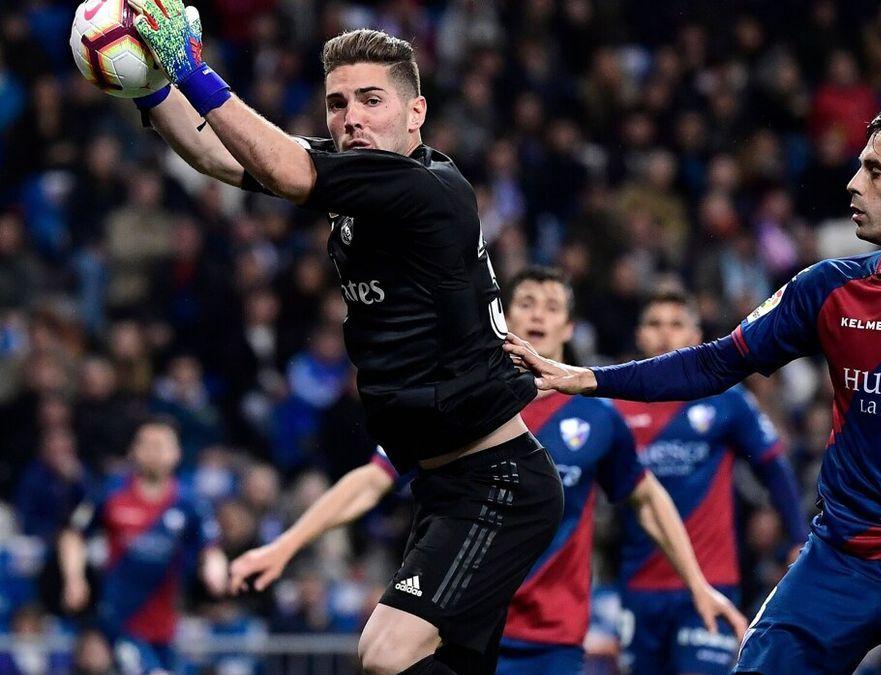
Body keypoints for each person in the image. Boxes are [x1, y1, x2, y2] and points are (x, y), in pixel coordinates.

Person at [506, 107, 881, 675]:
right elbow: (716, 364)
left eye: (876, 171)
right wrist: (587, 378)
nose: (853, 184)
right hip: (842, 556)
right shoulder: (827, 291)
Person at [123, 4, 563, 673]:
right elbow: (218, 155)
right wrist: (150, 88)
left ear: (415, 113)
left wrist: (192, 69)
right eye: (335, 103)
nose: (350, 116)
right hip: (443, 484)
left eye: (370, 99)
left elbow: (284, 171)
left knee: (385, 652)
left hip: (497, 482)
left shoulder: (426, 187)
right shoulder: (360, 184)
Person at [227, 267, 746, 674]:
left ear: (568, 326)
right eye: (525, 303)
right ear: (504, 317)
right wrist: (285, 544)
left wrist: (697, 585)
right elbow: (370, 481)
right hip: (467, 631)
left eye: (552, 306)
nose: (538, 314)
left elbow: (648, 500)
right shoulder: (465, 401)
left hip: (554, 640)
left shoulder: (598, 416)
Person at [606, 290, 807, 674]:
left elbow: (773, 466)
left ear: (696, 335)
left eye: (677, 324)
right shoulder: (613, 407)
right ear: (638, 335)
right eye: (654, 324)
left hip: (711, 581)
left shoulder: (726, 401)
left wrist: (797, 538)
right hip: (639, 587)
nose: (665, 335)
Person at [58, 420, 226, 674]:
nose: (154, 453)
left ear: (176, 453)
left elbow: (211, 548)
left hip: (166, 623)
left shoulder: (189, 502)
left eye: (161, 446)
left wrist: (215, 572)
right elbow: (73, 536)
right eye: (147, 445)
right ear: (134, 450)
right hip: (120, 620)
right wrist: (74, 578)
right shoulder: (111, 491)